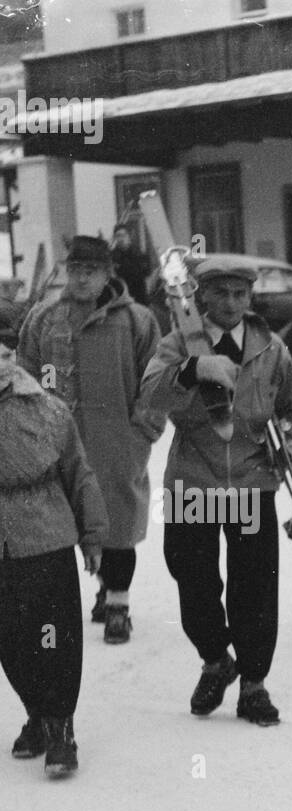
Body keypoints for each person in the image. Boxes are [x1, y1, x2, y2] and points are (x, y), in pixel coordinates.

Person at [140, 255, 292, 726]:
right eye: (221, 294)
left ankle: (254, 683)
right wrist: (193, 370)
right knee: (191, 575)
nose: (232, 303)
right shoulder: (179, 343)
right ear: (200, 297)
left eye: (240, 294)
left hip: (252, 481)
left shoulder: (270, 347)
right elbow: (151, 397)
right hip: (194, 476)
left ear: (250, 297)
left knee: (255, 584)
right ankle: (216, 659)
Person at [18, 234, 164, 645]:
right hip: (55, 444)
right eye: (75, 270)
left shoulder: (135, 320)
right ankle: (87, 595)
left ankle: (118, 604)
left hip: (117, 441)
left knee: (116, 523)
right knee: (61, 524)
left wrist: (143, 432)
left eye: (91, 271)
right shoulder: (45, 317)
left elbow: (158, 380)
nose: (81, 279)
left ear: (107, 274)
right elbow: (26, 372)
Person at [0, 342, 108, 777]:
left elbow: (78, 472)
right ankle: (37, 715)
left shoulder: (45, 408)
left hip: (46, 538)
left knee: (54, 637)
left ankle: (61, 727)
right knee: (11, 640)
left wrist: (94, 535)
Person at [110, 222, 153, 307]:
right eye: (118, 236)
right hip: (120, 301)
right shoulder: (112, 257)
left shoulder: (139, 254)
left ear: (129, 236)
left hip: (139, 299)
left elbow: (146, 272)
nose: (121, 239)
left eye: (123, 235)